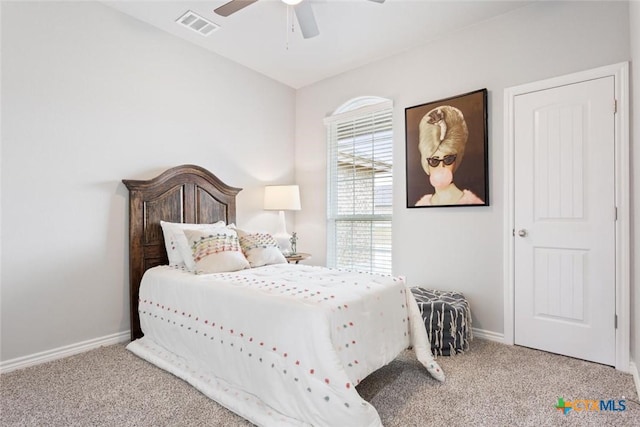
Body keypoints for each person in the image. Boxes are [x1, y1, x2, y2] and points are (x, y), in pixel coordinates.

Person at [415, 105, 484, 206]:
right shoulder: (421, 205)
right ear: (426, 162)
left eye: (448, 160)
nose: (441, 167)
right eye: (434, 161)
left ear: (456, 160)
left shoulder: (472, 202)